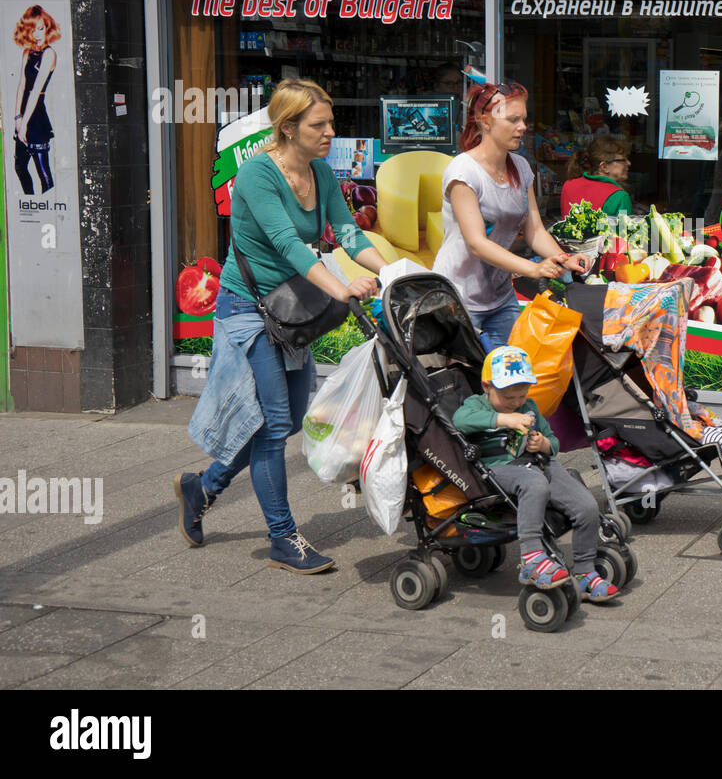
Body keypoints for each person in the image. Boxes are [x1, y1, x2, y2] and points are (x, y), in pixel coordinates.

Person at [177, 78, 391, 573]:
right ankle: (282, 538)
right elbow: (287, 244)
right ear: (288, 127)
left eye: (331, 122)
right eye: (319, 124)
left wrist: (393, 271)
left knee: (289, 420)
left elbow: (350, 232)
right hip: (247, 308)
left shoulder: (319, 171)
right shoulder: (256, 175)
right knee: (274, 426)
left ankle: (203, 487)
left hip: (290, 306)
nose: (330, 132)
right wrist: (342, 288)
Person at [433, 80, 590, 351]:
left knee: (516, 378)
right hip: (459, 299)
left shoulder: (519, 166)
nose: (523, 127)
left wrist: (563, 260)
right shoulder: (463, 172)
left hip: (500, 297)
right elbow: (477, 243)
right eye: (513, 119)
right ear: (485, 121)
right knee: (476, 384)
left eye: (524, 119)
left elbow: (535, 230)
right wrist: (533, 268)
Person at [453, 346, 617, 601]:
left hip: (537, 463)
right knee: (535, 483)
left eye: (521, 395)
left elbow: (553, 442)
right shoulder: (476, 405)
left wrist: (544, 444)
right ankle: (531, 556)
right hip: (498, 469)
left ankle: (585, 570)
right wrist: (503, 419)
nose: (517, 402)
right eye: (509, 397)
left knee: (586, 506)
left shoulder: (528, 406)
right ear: (487, 386)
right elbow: (460, 420)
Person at [11, 5, 60, 195]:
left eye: (41, 28)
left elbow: (35, 90)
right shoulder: (27, 53)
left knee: (43, 172)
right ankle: (32, 203)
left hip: (37, 117)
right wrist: (17, 118)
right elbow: (22, 86)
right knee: (20, 167)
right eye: (33, 29)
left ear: (47, 28)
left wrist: (24, 124)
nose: (37, 33)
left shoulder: (49, 54)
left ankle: (50, 209)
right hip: (23, 112)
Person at [560, 136, 633, 218]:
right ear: (604, 166)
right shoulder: (620, 196)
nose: (629, 163)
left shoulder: (569, 185)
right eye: (623, 160)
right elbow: (622, 230)